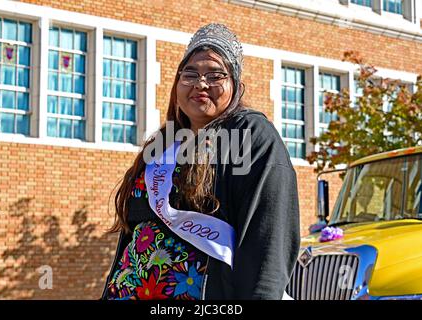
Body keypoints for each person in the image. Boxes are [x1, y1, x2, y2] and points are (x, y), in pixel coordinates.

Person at [101, 23, 300, 300]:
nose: (201, 83)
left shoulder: (250, 135)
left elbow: (268, 243)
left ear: (236, 86)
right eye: (190, 73)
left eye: (215, 75)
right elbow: (132, 234)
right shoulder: (163, 143)